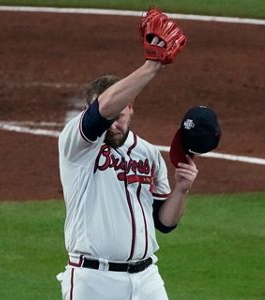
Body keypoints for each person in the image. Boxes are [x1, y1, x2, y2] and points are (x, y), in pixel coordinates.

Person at [56, 8, 197, 300]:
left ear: (132, 108)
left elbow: (164, 222)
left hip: (147, 279)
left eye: (121, 114)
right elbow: (101, 112)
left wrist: (182, 190)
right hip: (93, 280)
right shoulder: (77, 146)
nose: (114, 122)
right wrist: (151, 66)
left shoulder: (148, 154)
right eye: (110, 116)